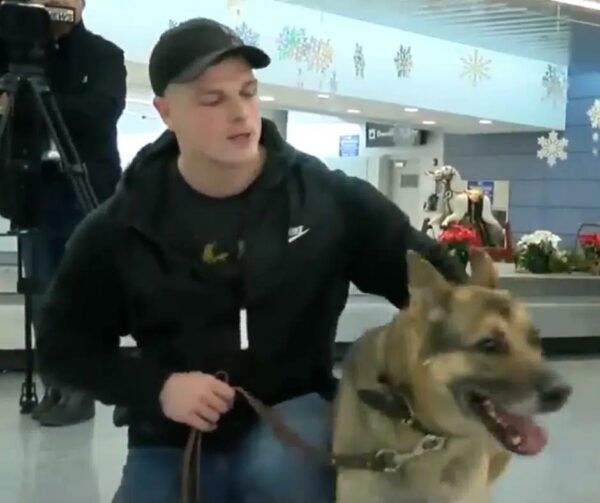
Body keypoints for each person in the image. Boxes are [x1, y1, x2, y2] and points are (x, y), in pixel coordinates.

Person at [36, 17, 467, 503]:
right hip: (171, 437)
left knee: (279, 472)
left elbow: (438, 285)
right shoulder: (123, 226)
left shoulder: (325, 199)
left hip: (294, 417)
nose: (241, 114)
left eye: (247, 92)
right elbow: (60, 344)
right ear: (165, 112)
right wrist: (157, 387)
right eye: (213, 100)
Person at [0, 0, 127, 426]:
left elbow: (101, 111)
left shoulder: (104, 54)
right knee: (41, 291)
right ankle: (57, 382)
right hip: (33, 187)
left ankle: (81, 389)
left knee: (81, 293)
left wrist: (30, 102)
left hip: (86, 188)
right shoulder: (14, 51)